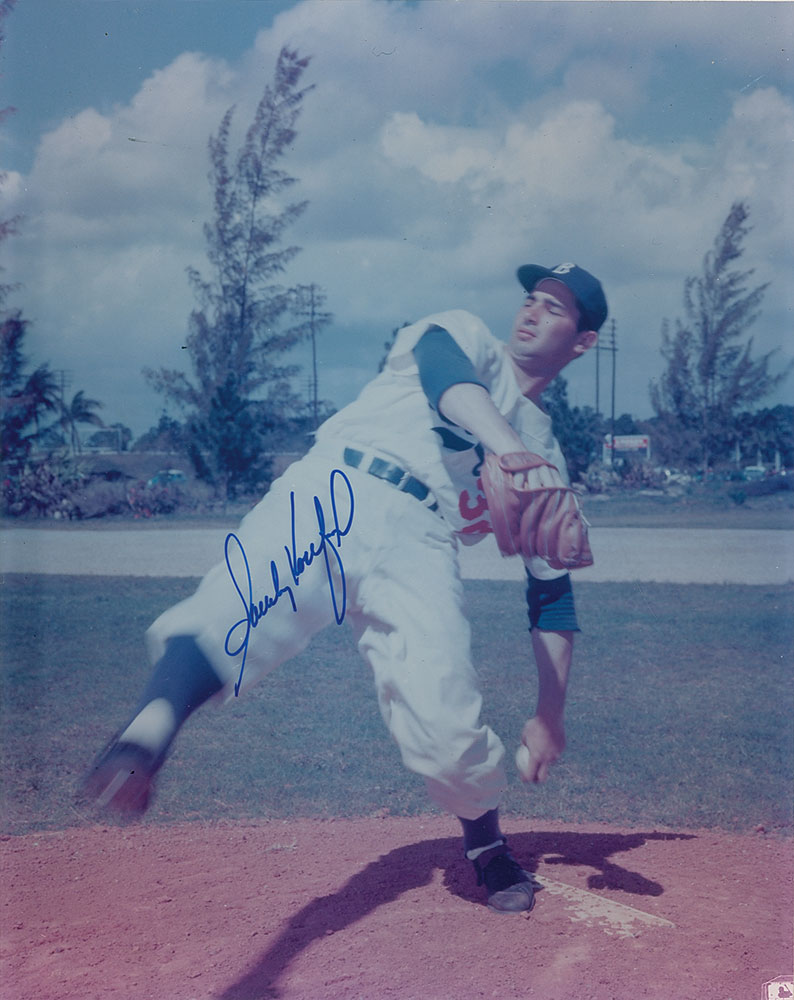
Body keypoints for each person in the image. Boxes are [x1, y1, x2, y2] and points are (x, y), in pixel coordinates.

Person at [80, 261, 607, 914]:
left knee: (448, 721)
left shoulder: (543, 453)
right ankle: (145, 735)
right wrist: (505, 446)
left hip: (422, 540)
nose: (532, 311)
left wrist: (549, 717)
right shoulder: (462, 333)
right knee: (242, 603)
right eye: (531, 298)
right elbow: (445, 373)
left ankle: (486, 845)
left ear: (583, 341)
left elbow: (551, 594)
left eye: (555, 309)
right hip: (335, 486)